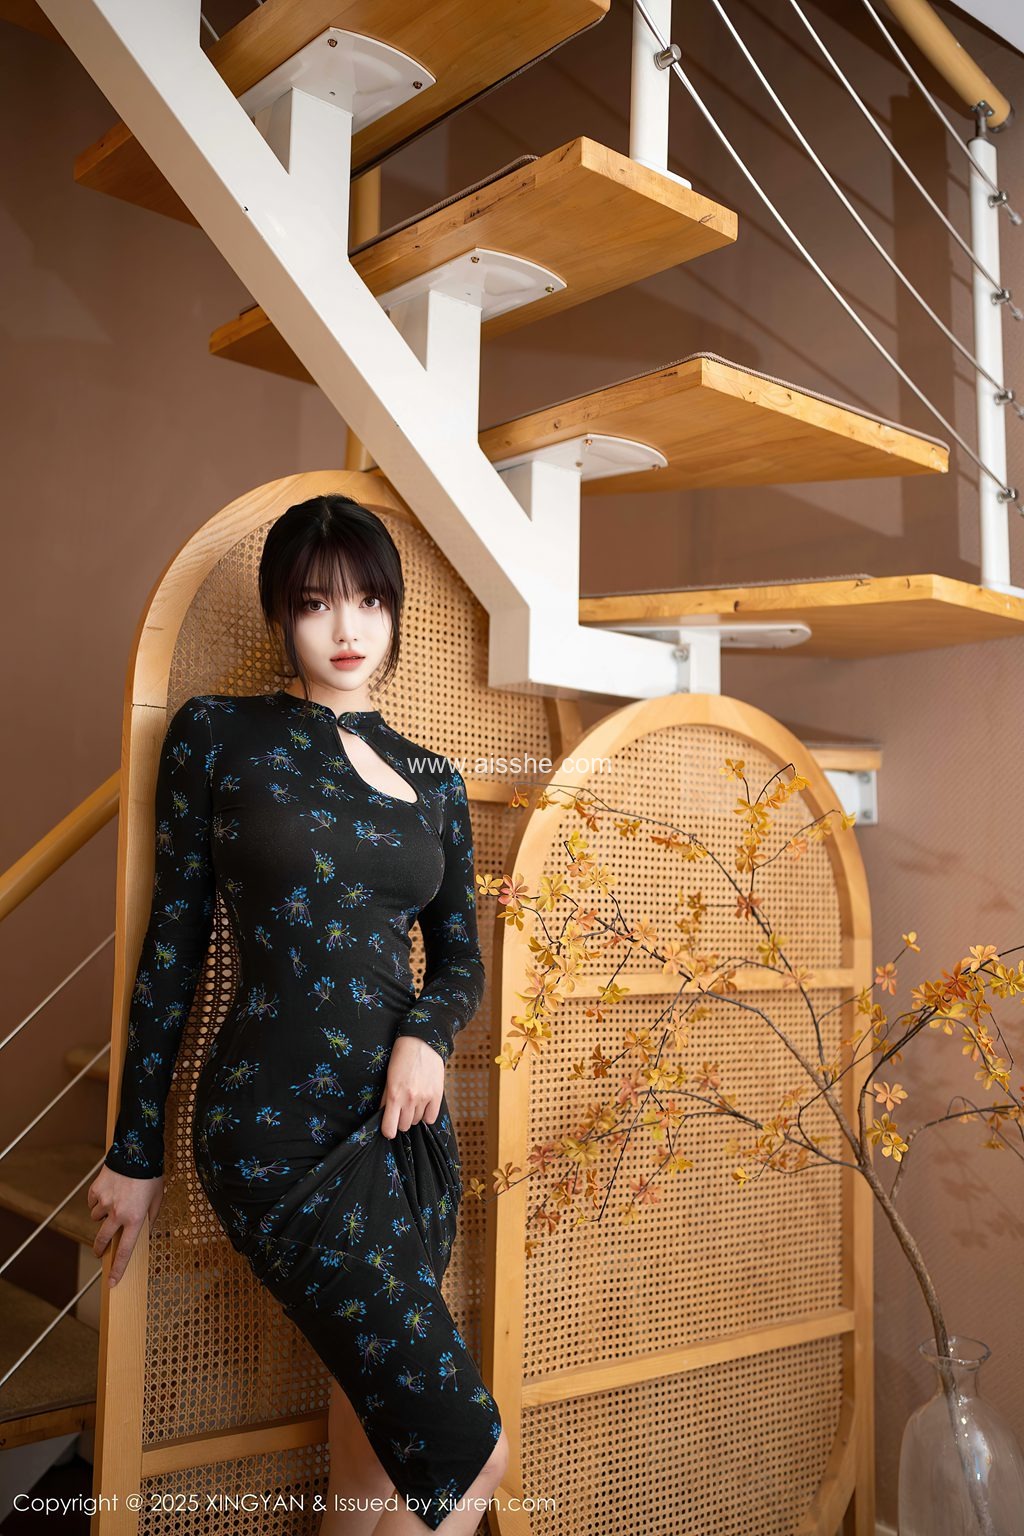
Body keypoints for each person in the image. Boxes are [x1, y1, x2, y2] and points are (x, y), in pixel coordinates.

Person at [87, 493, 509, 1533]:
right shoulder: (218, 735)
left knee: (371, 1457)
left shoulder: (433, 779)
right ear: (282, 613)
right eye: (317, 603)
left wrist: (427, 1033)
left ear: (394, 611)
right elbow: (172, 950)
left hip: (400, 1134)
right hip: (272, 1130)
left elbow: (462, 957)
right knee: (473, 1459)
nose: (347, 628)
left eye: (369, 601)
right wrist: (135, 1151)